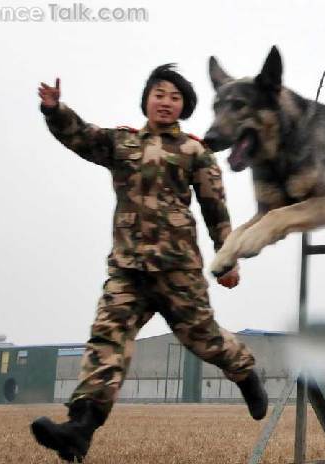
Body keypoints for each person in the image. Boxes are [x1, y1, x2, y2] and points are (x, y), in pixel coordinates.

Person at [31, 65, 268, 463]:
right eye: (159, 93)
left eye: (174, 97)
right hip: (128, 270)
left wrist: (228, 259)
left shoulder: (195, 151)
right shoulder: (121, 143)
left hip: (177, 271)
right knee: (106, 342)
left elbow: (216, 210)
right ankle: (79, 429)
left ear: (184, 107)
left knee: (205, 340)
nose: (165, 101)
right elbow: (81, 136)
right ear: (146, 100)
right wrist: (55, 110)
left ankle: (244, 371)